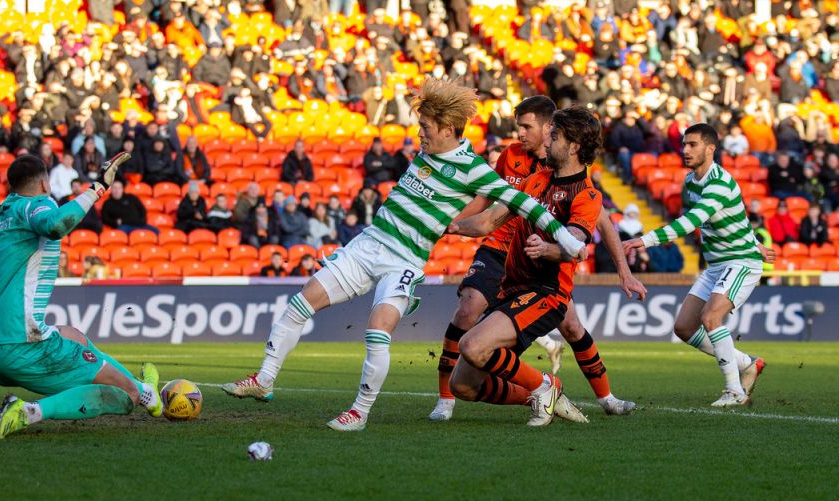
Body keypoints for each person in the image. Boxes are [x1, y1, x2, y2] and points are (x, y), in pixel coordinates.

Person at [220, 78, 586, 431]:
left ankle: (359, 414)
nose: (419, 133)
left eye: (425, 126)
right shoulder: (425, 152)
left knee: (377, 331)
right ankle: (265, 379)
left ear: (446, 128)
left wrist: (566, 242)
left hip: (403, 261)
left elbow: (524, 204)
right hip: (367, 245)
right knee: (300, 304)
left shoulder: (474, 170)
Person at [0, 152, 165, 439]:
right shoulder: (35, 207)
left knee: (74, 336)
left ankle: (147, 390)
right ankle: (30, 412)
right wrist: (98, 186)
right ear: (45, 185)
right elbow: (55, 224)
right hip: (20, 344)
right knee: (126, 396)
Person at [430, 97, 643, 422]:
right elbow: (489, 220)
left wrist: (550, 250)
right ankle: (538, 394)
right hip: (510, 292)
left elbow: (574, 244)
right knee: (464, 386)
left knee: (472, 345)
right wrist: (452, 226)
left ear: (572, 147)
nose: (547, 140)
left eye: (554, 136)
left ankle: (548, 387)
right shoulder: (534, 181)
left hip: (545, 293)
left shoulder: (586, 195)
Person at [623, 123, 773, 408]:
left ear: (711, 148)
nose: (685, 150)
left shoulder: (719, 183)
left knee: (711, 318)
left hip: (741, 261)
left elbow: (691, 222)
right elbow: (733, 219)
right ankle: (748, 363)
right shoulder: (690, 182)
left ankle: (734, 391)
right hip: (717, 265)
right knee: (684, 327)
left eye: (692, 144)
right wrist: (756, 240)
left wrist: (647, 240)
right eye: (683, 144)